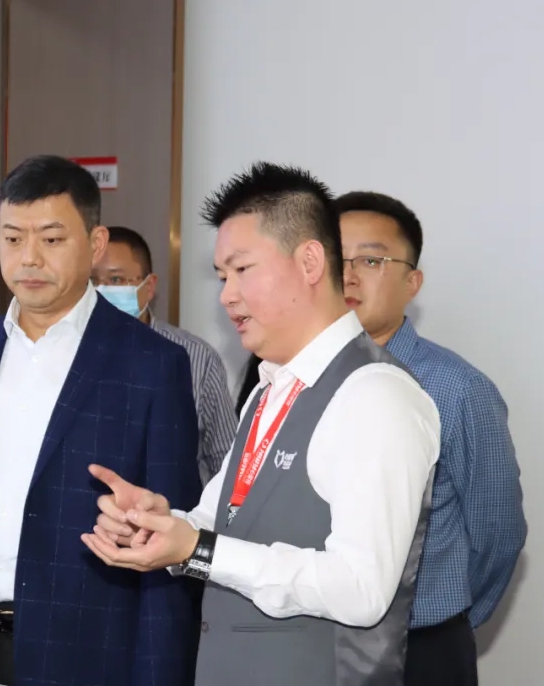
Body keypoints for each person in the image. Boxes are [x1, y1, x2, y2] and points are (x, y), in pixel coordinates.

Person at [81, 162, 441, 686]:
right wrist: (159, 523)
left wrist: (197, 549)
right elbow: (218, 524)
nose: (226, 295)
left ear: (310, 261)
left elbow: (361, 590)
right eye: (221, 276)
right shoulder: (269, 388)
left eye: (242, 269)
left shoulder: (375, 394)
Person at [0, 155, 203, 686]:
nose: (29, 258)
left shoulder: (152, 365)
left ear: (95, 243)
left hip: (91, 658)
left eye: (52, 239)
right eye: (13, 239)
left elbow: (170, 543)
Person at [337, 191, 527, 686]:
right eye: (336, 259)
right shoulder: (295, 380)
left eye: (371, 260)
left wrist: (448, 618)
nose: (348, 276)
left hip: (420, 648)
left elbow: (498, 532)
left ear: (412, 282)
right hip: (315, 643)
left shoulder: (458, 388)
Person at [92, 225, 237, 484]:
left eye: (116, 280)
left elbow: (227, 461)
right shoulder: (70, 354)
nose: (100, 291)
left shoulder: (196, 358)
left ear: (149, 287)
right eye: (91, 282)